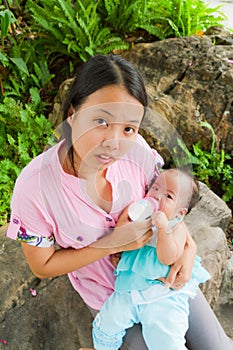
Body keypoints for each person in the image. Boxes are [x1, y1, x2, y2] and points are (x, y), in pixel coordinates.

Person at [6, 54, 233, 350]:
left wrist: (187, 248)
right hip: (111, 298)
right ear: (72, 114)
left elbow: (164, 204)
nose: (114, 142)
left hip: (161, 278)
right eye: (101, 121)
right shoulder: (35, 187)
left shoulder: (137, 151)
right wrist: (114, 243)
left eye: (129, 128)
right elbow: (43, 265)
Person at [84, 168, 210, 350]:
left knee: (165, 338)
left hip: (161, 295)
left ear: (180, 213)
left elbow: (168, 257)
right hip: (128, 289)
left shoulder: (176, 228)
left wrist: (163, 230)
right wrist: (130, 217)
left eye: (168, 197)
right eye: (155, 189)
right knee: (108, 321)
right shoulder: (139, 214)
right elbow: (121, 231)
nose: (158, 196)